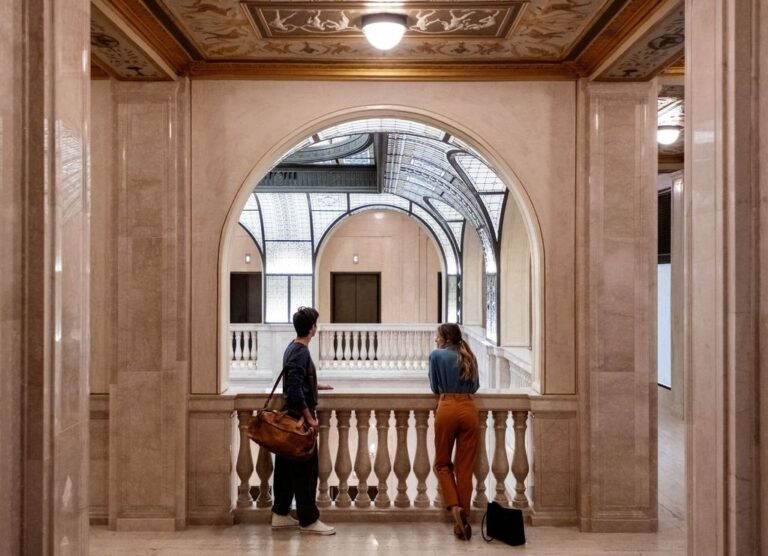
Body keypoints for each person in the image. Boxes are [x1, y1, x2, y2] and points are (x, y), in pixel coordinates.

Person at [271, 307, 336, 535]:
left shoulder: (292, 347)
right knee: (306, 472)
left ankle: (280, 514)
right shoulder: (302, 352)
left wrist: (316, 385)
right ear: (312, 329)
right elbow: (294, 389)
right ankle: (308, 521)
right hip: (299, 421)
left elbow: (295, 380)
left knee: (286, 469)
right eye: (316, 325)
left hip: (288, 419)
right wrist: (310, 418)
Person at [429, 323, 480, 540]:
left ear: (445, 338)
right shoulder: (468, 355)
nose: (435, 340)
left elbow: (434, 387)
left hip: (447, 407)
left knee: (442, 463)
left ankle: (455, 507)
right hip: (469, 409)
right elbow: (475, 386)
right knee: (465, 467)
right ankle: (464, 516)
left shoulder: (436, 356)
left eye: (437, 336)